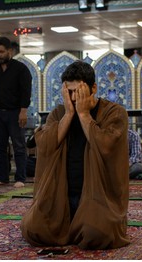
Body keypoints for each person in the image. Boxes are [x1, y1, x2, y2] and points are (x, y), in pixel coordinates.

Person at [21, 61, 130, 250]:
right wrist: (70, 114)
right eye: (68, 92)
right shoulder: (59, 112)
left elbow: (106, 146)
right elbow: (46, 144)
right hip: (61, 195)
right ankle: (69, 226)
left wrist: (84, 114)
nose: (73, 97)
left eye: (78, 91)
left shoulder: (114, 112)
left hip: (97, 197)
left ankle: (78, 226)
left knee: (97, 234)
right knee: (33, 229)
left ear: (93, 88)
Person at [0, 36, 32, 188]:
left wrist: (23, 111)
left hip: (16, 112)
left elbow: (26, 91)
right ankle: (2, 177)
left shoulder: (21, 69)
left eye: (1, 52)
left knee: (18, 145)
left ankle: (20, 178)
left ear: (10, 51)